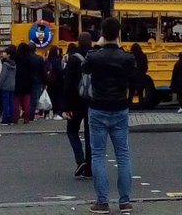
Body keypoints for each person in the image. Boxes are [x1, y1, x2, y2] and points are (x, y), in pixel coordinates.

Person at [82, 17, 137, 214]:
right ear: (119, 34)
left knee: (98, 154)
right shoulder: (127, 57)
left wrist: (97, 46)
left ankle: (102, 201)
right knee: (123, 154)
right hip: (120, 106)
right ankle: (125, 201)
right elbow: (134, 76)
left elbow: (85, 69)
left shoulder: (94, 56)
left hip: (98, 107)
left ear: (103, 34)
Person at [62, 32, 93, 179]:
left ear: (78, 43)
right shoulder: (94, 57)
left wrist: (65, 107)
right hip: (92, 101)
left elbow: (67, 84)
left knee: (72, 130)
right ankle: (90, 168)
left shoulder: (73, 59)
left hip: (75, 101)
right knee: (90, 135)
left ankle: (80, 160)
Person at [14, 42, 33, 124]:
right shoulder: (30, 58)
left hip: (17, 80)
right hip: (27, 81)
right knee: (27, 101)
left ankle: (15, 117)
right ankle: (26, 117)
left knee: (16, 100)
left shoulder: (16, 57)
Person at [0, 45, 17, 125]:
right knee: (11, 102)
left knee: (5, 103)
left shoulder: (5, 64)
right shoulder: (14, 63)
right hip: (12, 84)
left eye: (5, 53)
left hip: (5, 85)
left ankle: (5, 119)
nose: (4, 54)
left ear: (8, 54)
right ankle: (11, 118)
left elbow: (3, 77)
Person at [45, 45, 64, 120]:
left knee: (49, 97)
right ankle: (56, 113)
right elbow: (59, 71)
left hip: (49, 82)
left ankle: (46, 114)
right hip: (57, 82)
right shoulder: (57, 60)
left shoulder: (47, 60)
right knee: (57, 98)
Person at [128, 43, 148, 107]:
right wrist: (143, 72)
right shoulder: (143, 55)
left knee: (131, 91)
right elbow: (145, 67)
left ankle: (129, 103)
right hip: (140, 75)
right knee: (140, 91)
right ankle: (141, 103)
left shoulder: (130, 56)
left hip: (131, 76)